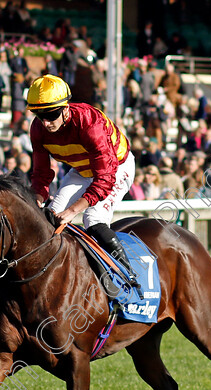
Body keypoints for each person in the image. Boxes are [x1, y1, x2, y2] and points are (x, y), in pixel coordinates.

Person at [27, 75, 138, 286]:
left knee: (92, 218)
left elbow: (104, 178)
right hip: (81, 170)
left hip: (116, 167)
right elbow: (41, 174)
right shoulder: (38, 129)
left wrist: (72, 211)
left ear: (66, 108)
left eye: (51, 114)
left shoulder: (89, 123)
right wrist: (36, 200)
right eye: (40, 115)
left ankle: (126, 275)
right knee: (49, 217)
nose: (46, 123)